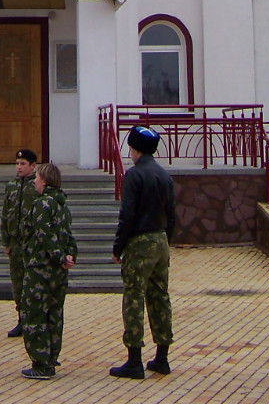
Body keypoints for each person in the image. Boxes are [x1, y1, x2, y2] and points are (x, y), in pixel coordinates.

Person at [110, 124, 176, 379]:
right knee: (160, 297)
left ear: (135, 149)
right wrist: (165, 240)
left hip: (139, 241)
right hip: (161, 240)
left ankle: (134, 361)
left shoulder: (134, 175)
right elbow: (172, 216)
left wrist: (118, 247)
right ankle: (162, 358)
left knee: (134, 298)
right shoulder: (164, 175)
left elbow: (127, 215)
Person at [19, 162, 77, 380]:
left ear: (44, 181)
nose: (34, 180)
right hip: (58, 271)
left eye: (36, 177)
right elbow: (67, 234)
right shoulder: (62, 203)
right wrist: (69, 256)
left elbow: (45, 234)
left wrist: (60, 256)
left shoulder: (43, 204)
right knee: (54, 314)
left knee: (35, 313)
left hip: (40, 268)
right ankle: (51, 357)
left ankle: (41, 362)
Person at [1, 147, 39, 337]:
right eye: (17, 164)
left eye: (23, 164)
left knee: (31, 282)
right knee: (17, 282)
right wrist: (6, 240)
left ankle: (33, 319)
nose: (19, 167)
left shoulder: (38, 186)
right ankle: (21, 319)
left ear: (33, 166)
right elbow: (5, 214)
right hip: (15, 241)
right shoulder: (12, 186)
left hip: (31, 242)